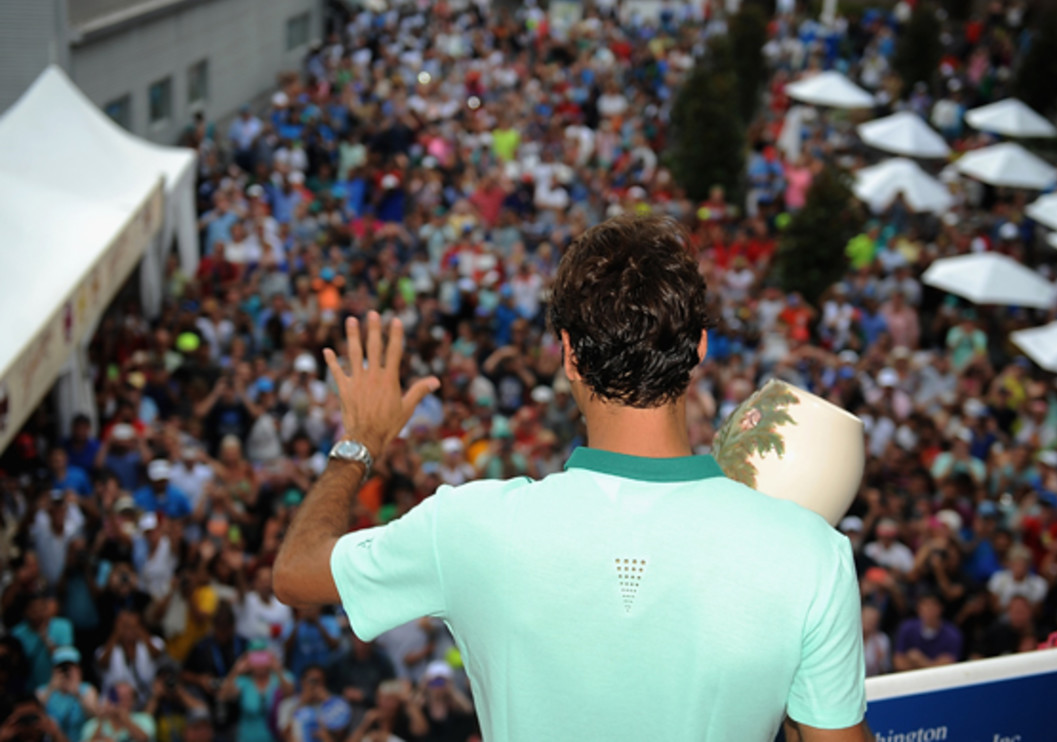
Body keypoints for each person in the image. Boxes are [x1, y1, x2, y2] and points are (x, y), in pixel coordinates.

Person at [274, 216, 870, 741]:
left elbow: (294, 572)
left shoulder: (466, 526)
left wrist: (359, 446)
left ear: (569, 357)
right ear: (700, 349)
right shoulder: (812, 554)